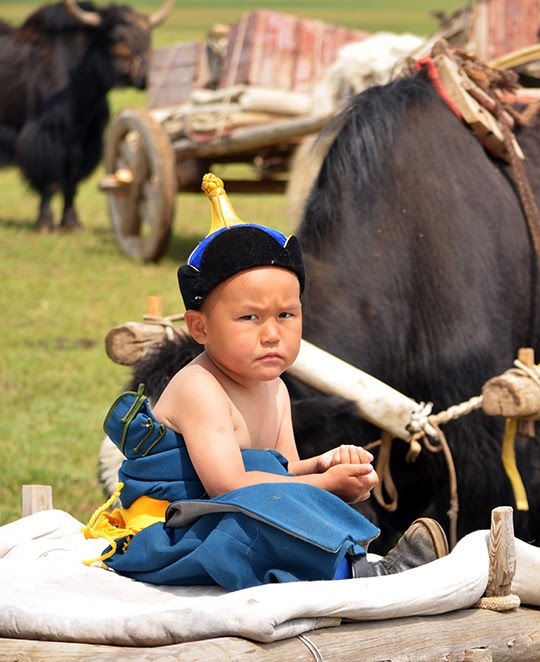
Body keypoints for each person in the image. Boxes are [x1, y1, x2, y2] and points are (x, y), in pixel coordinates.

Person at [84, 173, 448, 590]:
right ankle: (363, 578)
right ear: (200, 328)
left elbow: (284, 470)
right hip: (174, 528)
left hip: (222, 509)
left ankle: (354, 564)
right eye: (249, 317)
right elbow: (228, 485)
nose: (272, 333)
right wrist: (322, 483)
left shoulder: (274, 385)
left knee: (293, 500)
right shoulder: (200, 388)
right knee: (255, 519)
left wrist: (323, 466)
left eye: (286, 315)